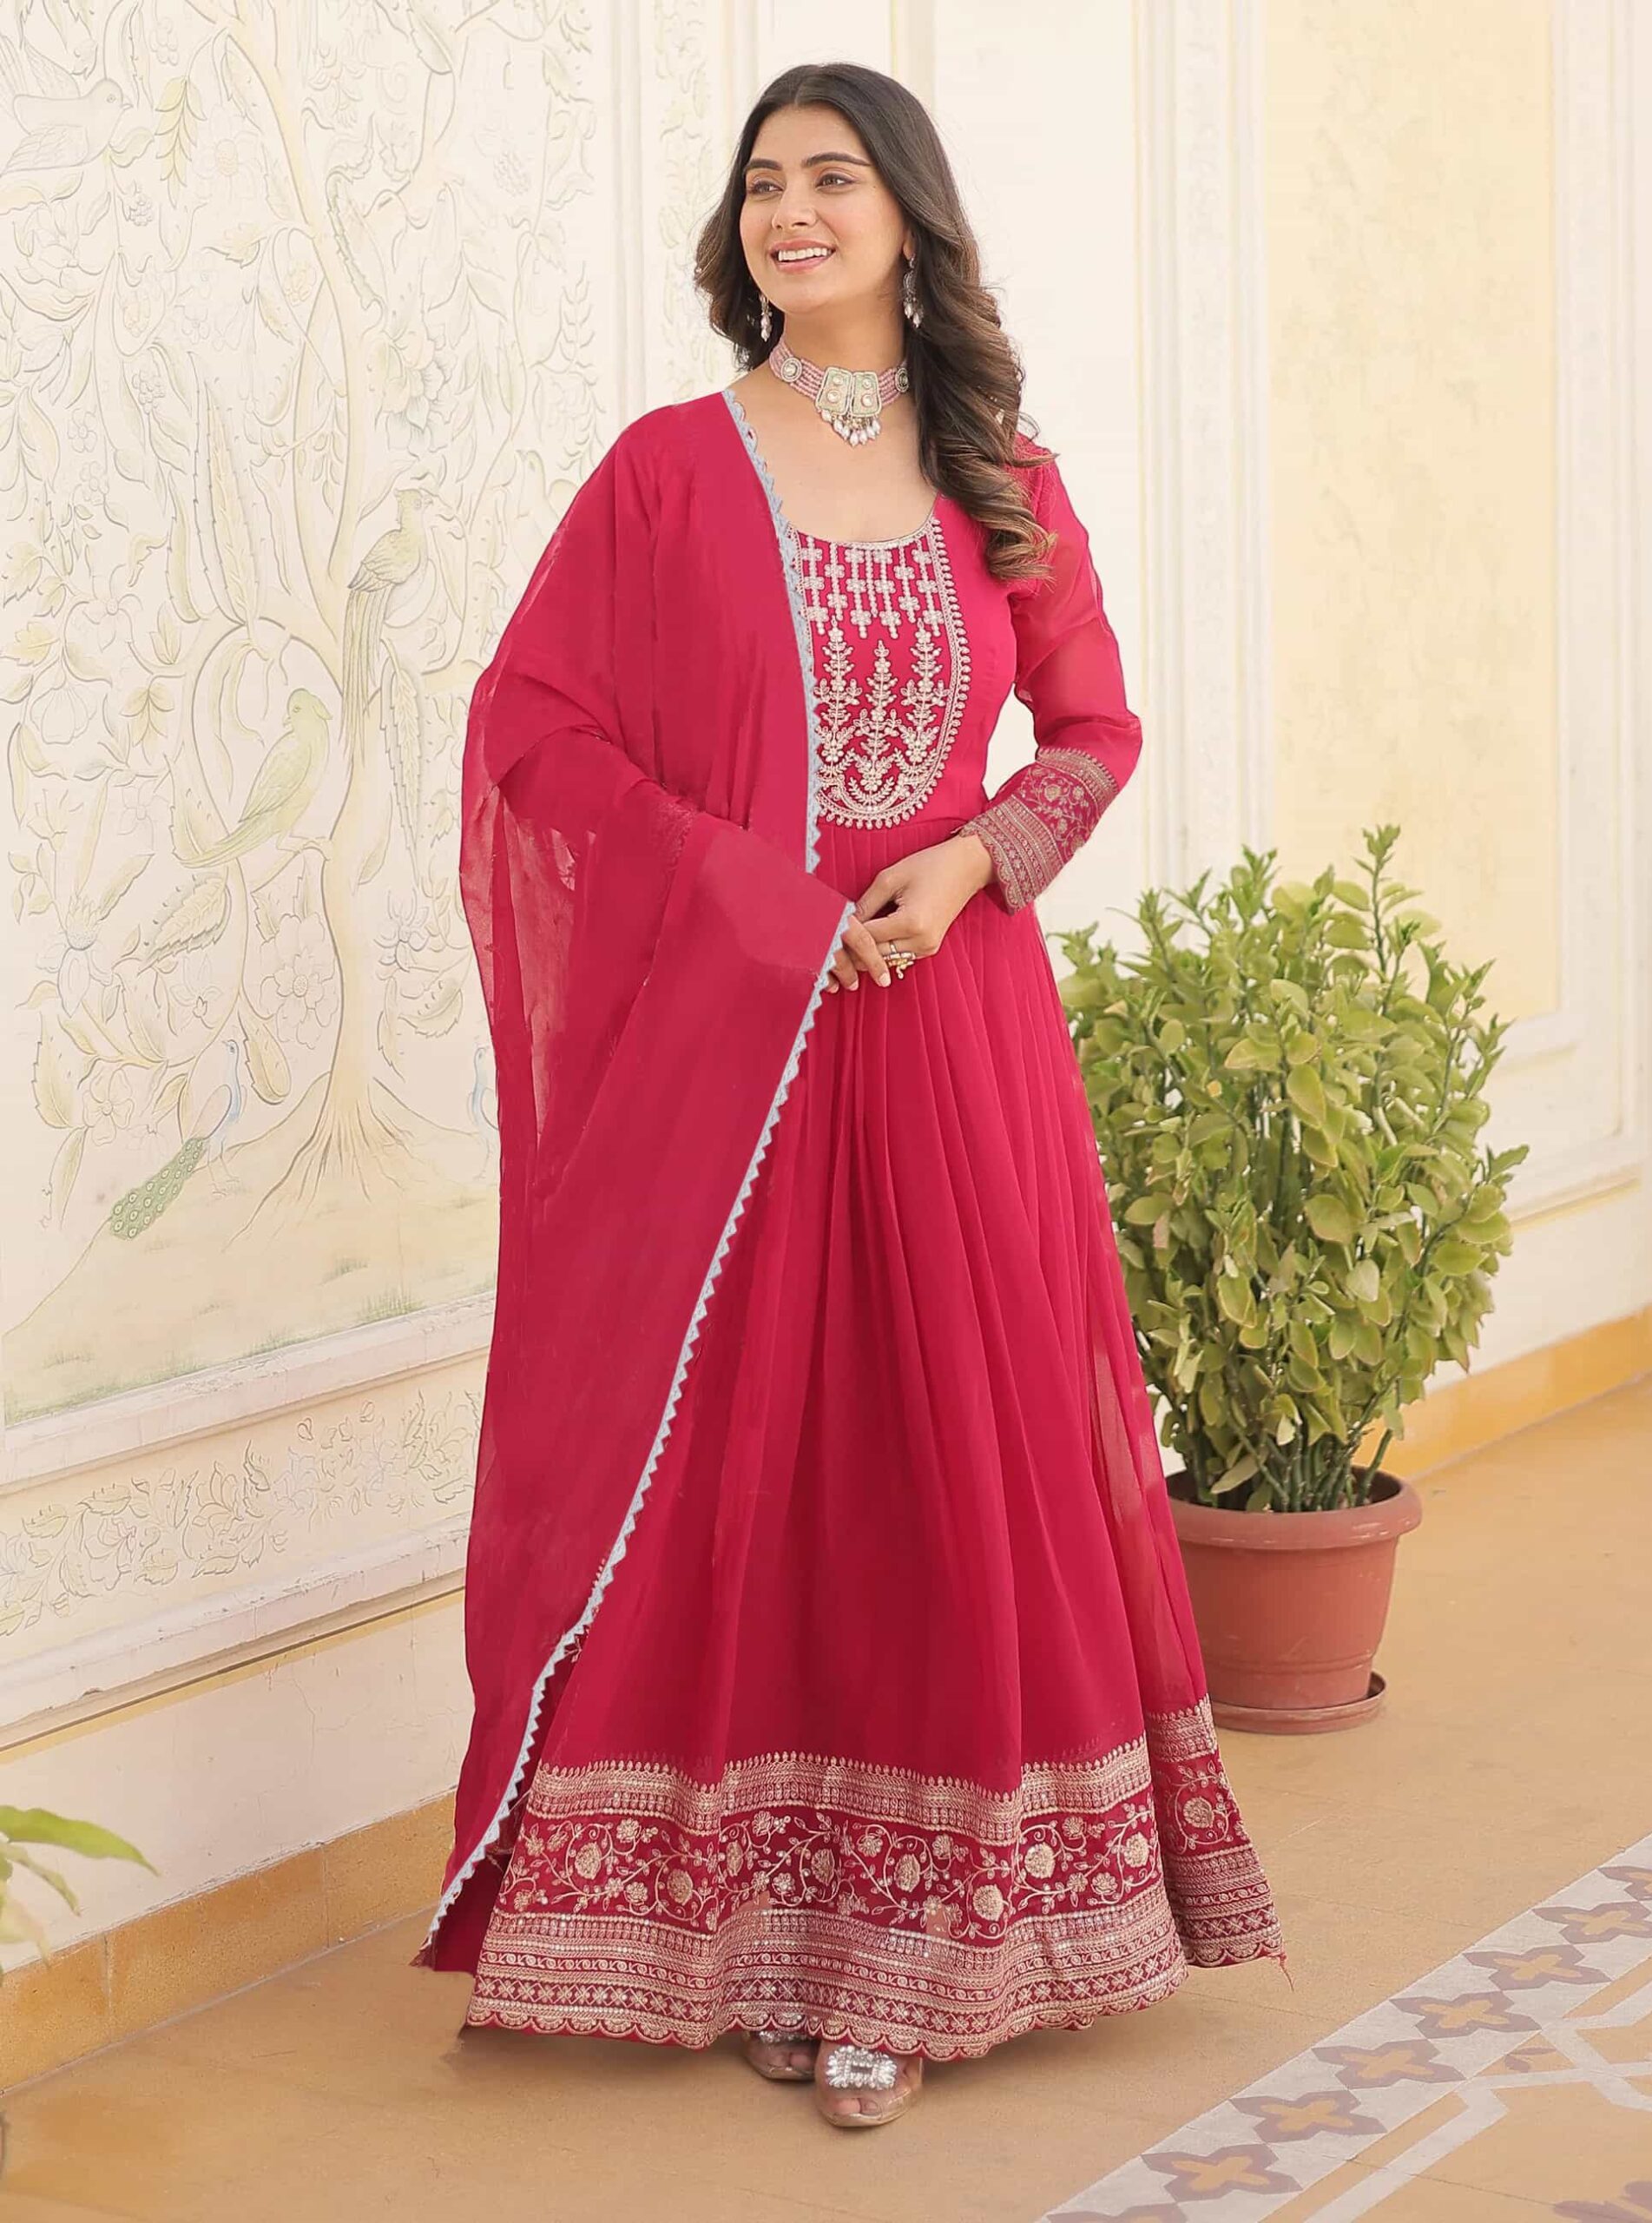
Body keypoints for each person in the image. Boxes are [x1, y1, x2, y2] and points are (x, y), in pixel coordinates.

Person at [411, 60, 1286, 2131]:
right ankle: (745, 1935)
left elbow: (1092, 724)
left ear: (907, 213)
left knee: (937, 1472)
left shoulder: (1004, 470)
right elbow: (530, 727)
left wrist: (977, 854)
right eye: (763, 183)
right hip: (737, 1058)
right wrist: (745, 894)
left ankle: (922, 1951)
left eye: (832, 176)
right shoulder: (662, 471)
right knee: (738, 1482)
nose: (792, 210)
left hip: (949, 1038)